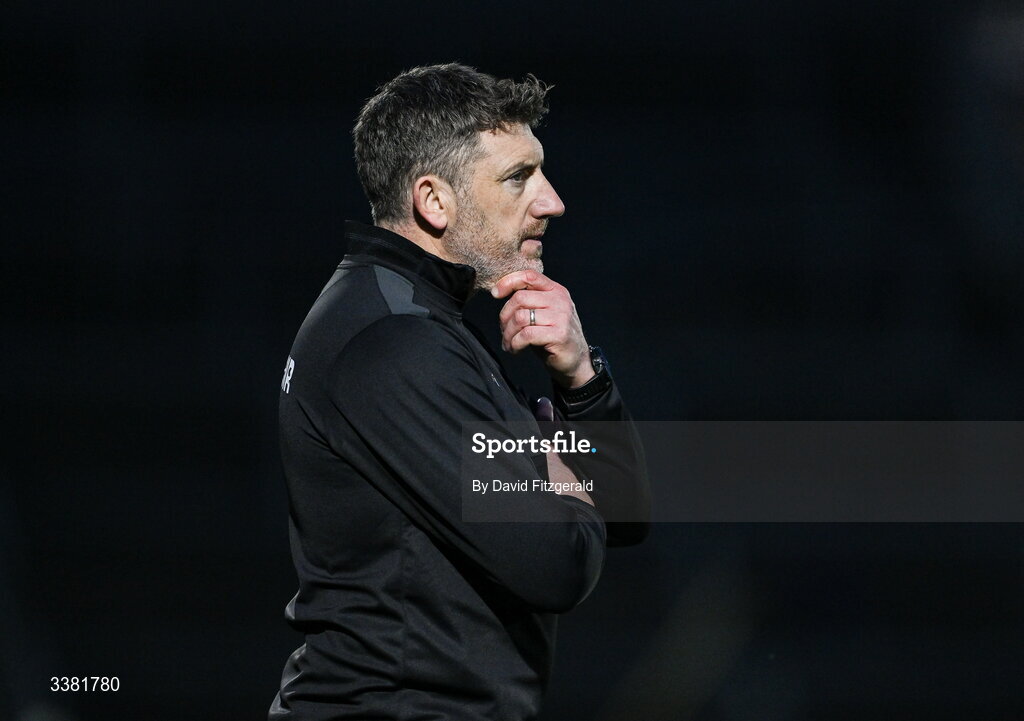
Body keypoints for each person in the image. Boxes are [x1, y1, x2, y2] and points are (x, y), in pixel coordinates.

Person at [269, 63, 650, 721]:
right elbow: (559, 563)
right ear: (434, 201)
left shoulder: (417, 320)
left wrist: (581, 378)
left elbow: (627, 517)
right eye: (517, 177)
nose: (552, 200)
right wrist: (557, 466)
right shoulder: (393, 343)